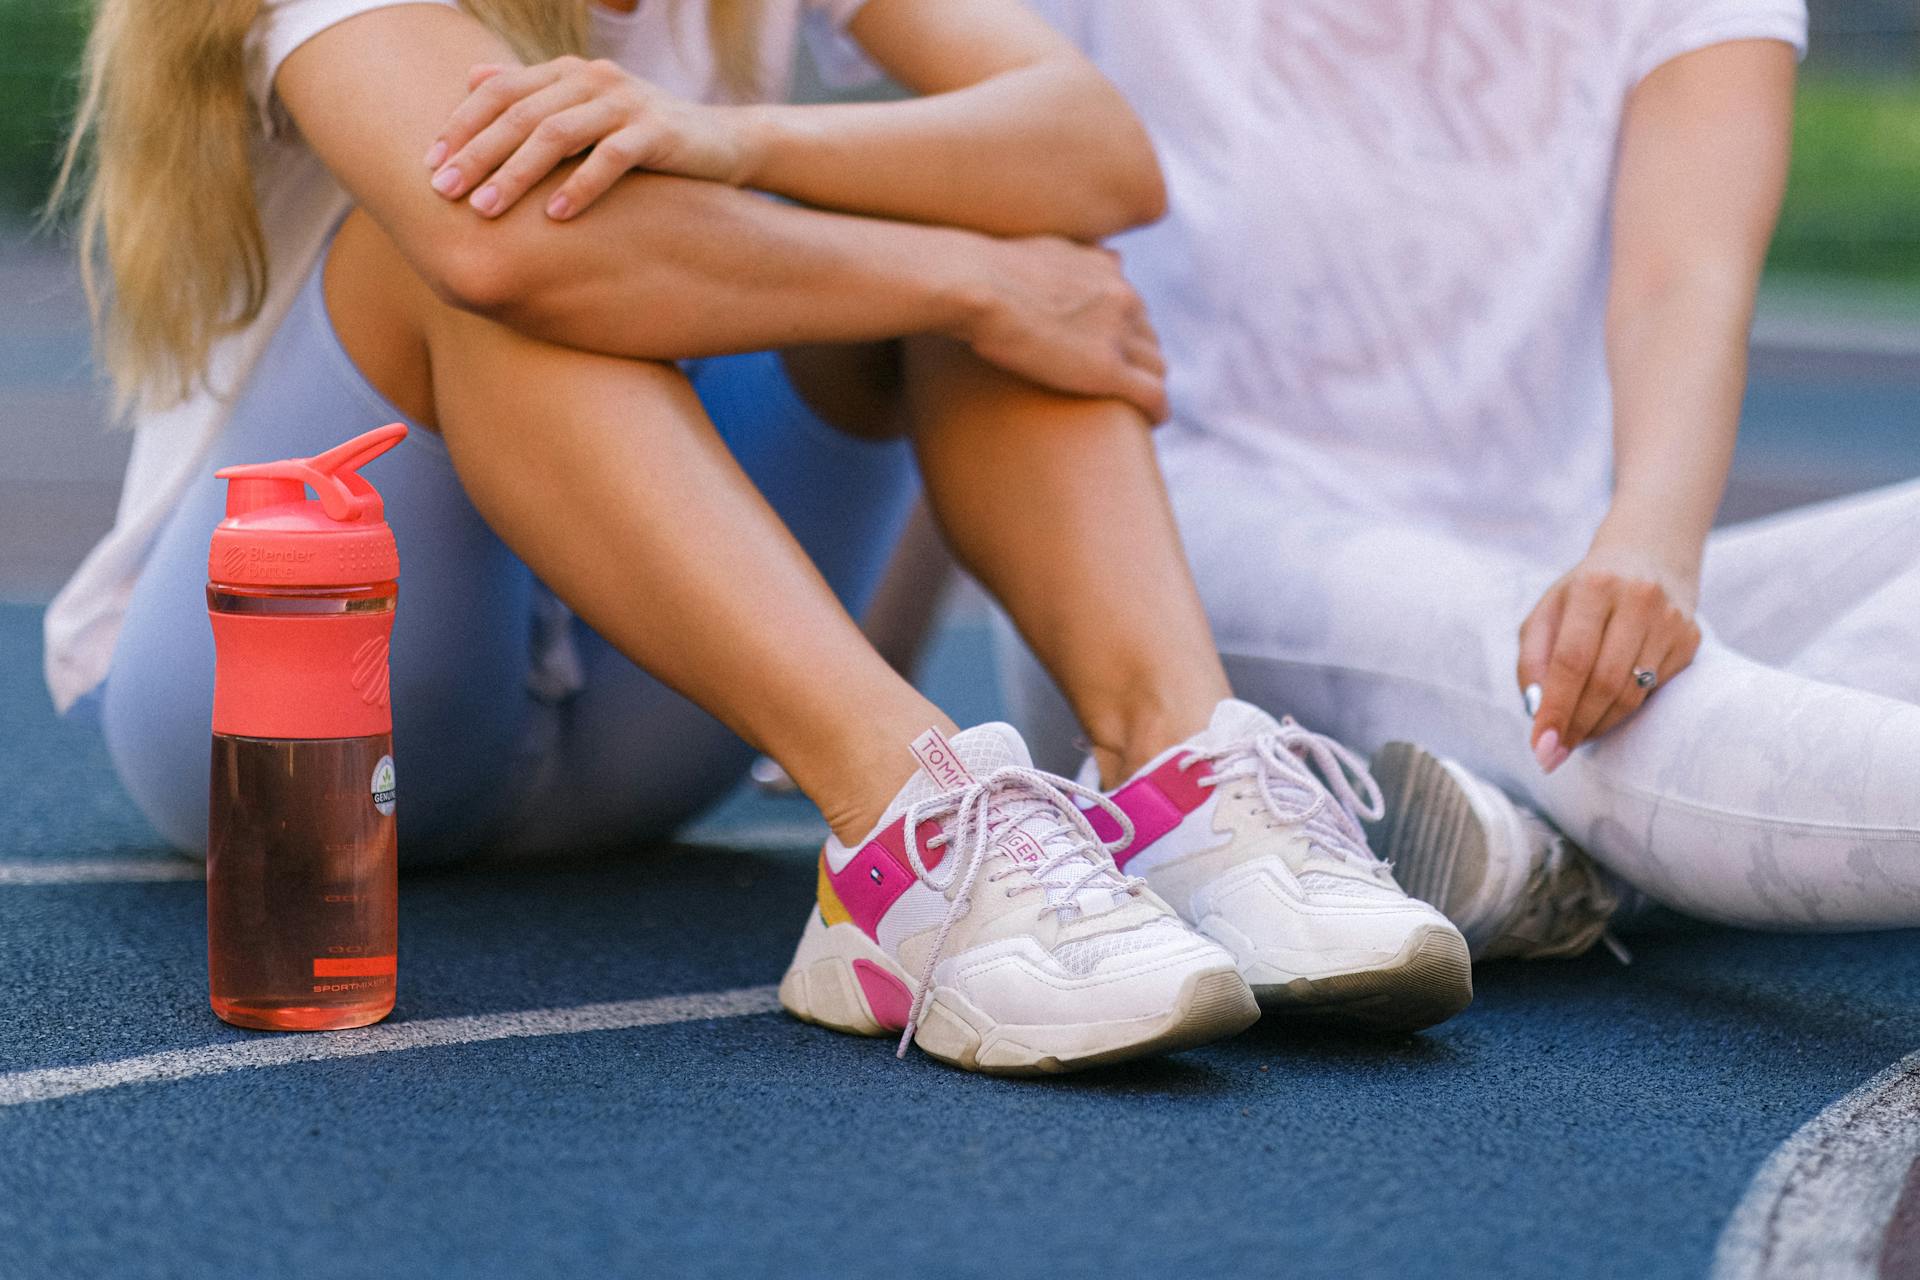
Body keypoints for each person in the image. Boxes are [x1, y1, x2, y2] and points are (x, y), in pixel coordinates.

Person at [46, 0, 1470, 1072]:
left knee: (1035, 243)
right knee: (477, 243)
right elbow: (508, 248)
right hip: (283, 720)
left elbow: (1095, 151)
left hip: (643, 732)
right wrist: (976, 281)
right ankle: (904, 823)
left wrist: (744, 137)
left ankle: (1180, 778)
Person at [1005, 0, 1920, 959]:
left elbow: (1684, 277)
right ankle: (1608, 832)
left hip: (1533, 564)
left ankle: (1544, 855)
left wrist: (1648, 548)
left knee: (1596, 679)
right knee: (1576, 700)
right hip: (1170, 555)